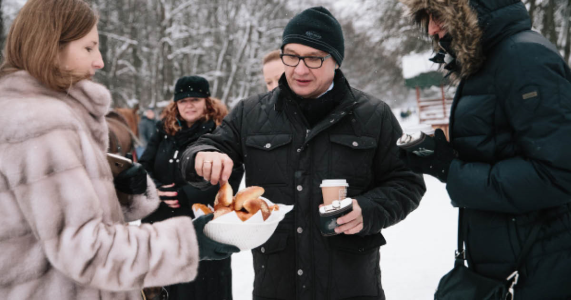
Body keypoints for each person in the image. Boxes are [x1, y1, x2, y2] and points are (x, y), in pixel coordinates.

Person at [180, 6, 426, 300]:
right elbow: (207, 148)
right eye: (292, 56)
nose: (299, 69)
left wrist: (369, 209)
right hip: (277, 285)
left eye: (313, 58)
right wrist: (201, 155)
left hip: (352, 286)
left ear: (335, 60)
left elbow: (408, 182)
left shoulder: (374, 115)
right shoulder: (250, 113)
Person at [0, 1, 238, 299]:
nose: (99, 61)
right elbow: (85, 250)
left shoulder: (36, 114)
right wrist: (188, 241)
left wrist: (119, 191)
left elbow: (49, 220)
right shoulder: (40, 121)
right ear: (50, 47)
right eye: (88, 48)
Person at [399, 0, 571, 297]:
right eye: (426, 18)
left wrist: (452, 170)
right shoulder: (489, 60)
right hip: (506, 260)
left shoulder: (522, 57)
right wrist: (444, 158)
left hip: (540, 265)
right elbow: (502, 149)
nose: (431, 28)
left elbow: (558, 173)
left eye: (437, 15)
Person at [139, 75, 244, 300]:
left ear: (207, 101)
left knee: (202, 289)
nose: (189, 105)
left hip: (202, 225)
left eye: (195, 99)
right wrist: (155, 189)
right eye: (183, 100)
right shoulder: (163, 130)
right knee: (164, 289)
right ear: (175, 104)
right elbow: (144, 166)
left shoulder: (219, 132)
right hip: (162, 222)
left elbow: (230, 177)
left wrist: (185, 194)